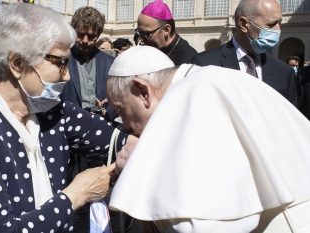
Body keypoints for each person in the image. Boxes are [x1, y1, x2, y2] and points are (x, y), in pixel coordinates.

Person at [0, 4, 136, 232]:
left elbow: (115, 140)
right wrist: (76, 195)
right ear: (17, 64)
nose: (67, 75)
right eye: (60, 62)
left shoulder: (51, 110)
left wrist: (133, 146)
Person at [106, 45, 310, 233]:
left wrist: (140, 166)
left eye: (121, 110)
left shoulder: (191, 97)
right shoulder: (206, 79)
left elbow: (204, 225)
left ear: (142, 91)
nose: (125, 125)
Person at [192, 0, 298, 106]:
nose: (278, 30)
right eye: (271, 24)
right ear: (243, 24)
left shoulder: (285, 72)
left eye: (279, 23)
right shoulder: (203, 64)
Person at [61, 6, 116, 120]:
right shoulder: (61, 59)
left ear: (99, 35)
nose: (85, 41)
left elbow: (119, 99)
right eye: (80, 34)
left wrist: (107, 111)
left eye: (91, 36)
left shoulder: (111, 63)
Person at [136, 0, 197, 65]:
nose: (141, 39)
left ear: (166, 30)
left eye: (147, 34)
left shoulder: (190, 61)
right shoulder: (150, 51)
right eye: (140, 32)